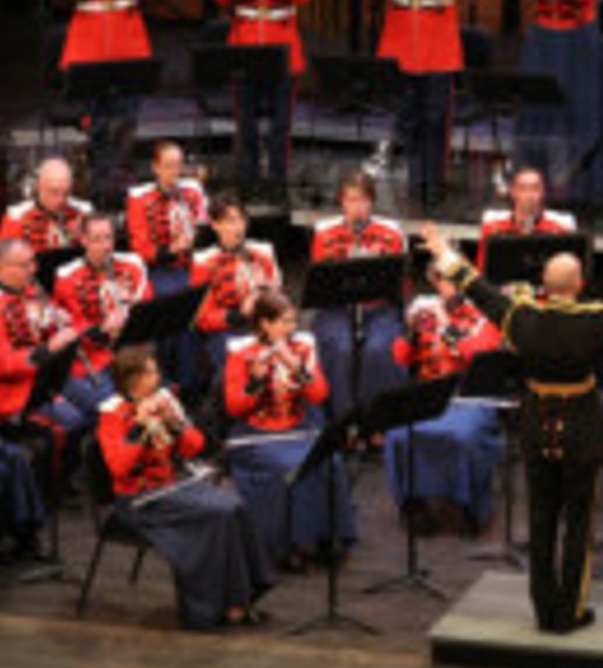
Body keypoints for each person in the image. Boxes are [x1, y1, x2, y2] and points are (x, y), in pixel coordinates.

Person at [422, 223, 603, 634]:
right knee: (578, 522)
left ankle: (543, 610)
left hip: (536, 425)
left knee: (540, 520)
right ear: (580, 284)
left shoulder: (520, 318)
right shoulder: (594, 321)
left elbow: (478, 288)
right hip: (582, 429)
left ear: (543, 283)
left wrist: (442, 252)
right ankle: (569, 612)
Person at [97, 347, 273, 630]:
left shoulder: (163, 400)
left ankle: (242, 596)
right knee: (216, 515)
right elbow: (119, 467)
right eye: (151, 373)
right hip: (139, 500)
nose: (158, 377)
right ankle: (208, 610)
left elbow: (196, 447)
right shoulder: (112, 414)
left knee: (233, 505)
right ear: (133, 380)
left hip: (168, 487)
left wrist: (175, 424)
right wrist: (138, 428)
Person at [223, 290, 354, 571]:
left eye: (293, 321)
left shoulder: (302, 347)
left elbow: (319, 394)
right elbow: (234, 407)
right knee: (290, 466)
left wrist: (297, 367)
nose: (291, 328)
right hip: (256, 434)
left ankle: (326, 536)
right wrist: (255, 381)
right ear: (264, 324)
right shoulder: (242, 354)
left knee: (329, 460)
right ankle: (289, 545)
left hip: (297, 427)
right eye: (284, 322)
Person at [506, 0, 603, 208]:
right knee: (538, 109)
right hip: (542, 39)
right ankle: (532, 186)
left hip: (578, 41)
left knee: (578, 111)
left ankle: (579, 189)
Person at [58, 0, 158, 206]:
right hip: (88, 44)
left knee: (126, 121)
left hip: (129, 41)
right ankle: (100, 192)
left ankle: (122, 190)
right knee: (98, 124)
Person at [384, 262, 503, 533]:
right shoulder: (425, 312)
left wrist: (445, 323)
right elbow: (402, 357)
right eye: (442, 281)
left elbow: (477, 354)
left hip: (468, 396)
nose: (449, 287)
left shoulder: (484, 315)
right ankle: (414, 504)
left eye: (454, 280)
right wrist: (411, 333)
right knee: (398, 435)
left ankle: (469, 506)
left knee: (461, 437)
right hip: (429, 393)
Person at [371, 0, 468, 208]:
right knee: (409, 117)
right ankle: (414, 183)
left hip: (438, 40)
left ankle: (435, 186)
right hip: (403, 38)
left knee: (436, 117)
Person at [210, 0, 313, 204]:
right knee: (246, 124)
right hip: (245, 46)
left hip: (282, 47)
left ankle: (278, 184)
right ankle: (247, 183)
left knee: (281, 125)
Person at [309, 172, 407, 422]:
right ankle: (342, 420)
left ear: (371, 202)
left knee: (378, 349)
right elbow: (318, 286)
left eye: (363, 200)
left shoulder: (391, 233)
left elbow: (401, 285)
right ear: (342, 202)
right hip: (337, 308)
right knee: (341, 349)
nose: (357, 207)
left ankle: (372, 420)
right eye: (351, 200)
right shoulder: (324, 233)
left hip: (380, 307)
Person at [0, 238, 93, 466]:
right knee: (73, 421)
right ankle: (61, 481)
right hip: (12, 394)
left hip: (46, 377)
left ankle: (75, 473)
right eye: (24, 265)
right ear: (0, 268)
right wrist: (47, 349)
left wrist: (57, 320)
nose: (33, 270)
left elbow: (43, 328)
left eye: (33, 262)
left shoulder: (31, 291)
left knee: (94, 407)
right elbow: (3, 363)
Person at [125, 141, 207, 395]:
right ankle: (175, 377)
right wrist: (171, 250)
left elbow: (205, 225)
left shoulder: (191, 191)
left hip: (192, 263)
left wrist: (197, 238)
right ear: (156, 168)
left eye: (179, 165)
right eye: (169, 166)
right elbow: (140, 247)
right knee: (175, 300)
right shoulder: (140, 198)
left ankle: (194, 375)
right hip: (160, 268)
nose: (175, 172)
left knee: (203, 295)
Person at [51, 212, 150, 420]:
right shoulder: (66, 276)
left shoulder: (132, 263)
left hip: (132, 353)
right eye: (97, 240)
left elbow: (147, 307)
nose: (106, 246)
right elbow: (68, 327)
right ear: (84, 241)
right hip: (94, 360)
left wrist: (129, 309)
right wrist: (100, 329)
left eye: (108, 238)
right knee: (119, 412)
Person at [190, 190, 282, 376]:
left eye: (241, 220)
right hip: (228, 330)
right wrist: (239, 315)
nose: (239, 227)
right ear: (215, 225)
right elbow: (202, 317)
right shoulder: (204, 261)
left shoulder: (263, 251)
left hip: (264, 325)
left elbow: (279, 296)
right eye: (231, 221)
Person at [476, 167, 577, 273]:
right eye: (523, 189)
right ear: (513, 192)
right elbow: (481, 271)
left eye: (535, 189)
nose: (529, 195)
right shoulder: (492, 230)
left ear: (543, 192)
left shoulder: (559, 231)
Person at [0, 157, 90, 253]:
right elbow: (3, 258)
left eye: (66, 193)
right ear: (38, 187)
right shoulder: (16, 217)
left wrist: (84, 238)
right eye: (54, 192)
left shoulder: (83, 212)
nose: (61, 200)